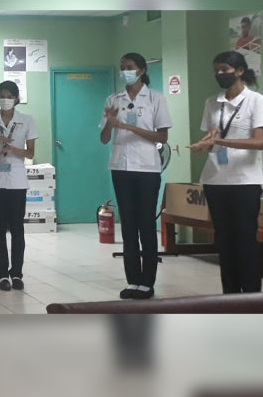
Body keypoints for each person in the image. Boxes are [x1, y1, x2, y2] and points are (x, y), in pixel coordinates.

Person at [187, 51, 263, 294]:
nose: (220, 74)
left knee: (245, 240)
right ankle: (229, 296)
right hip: (215, 180)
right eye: (216, 70)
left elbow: (259, 142)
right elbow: (212, 138)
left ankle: (250, 296)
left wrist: (221, 141)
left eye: (225, 70)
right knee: (224, 241)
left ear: (239, 71)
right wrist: (204, 145)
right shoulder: (212, 103)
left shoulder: (256, 100)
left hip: (245, 182)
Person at [100, 52, 171, 300]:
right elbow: (104, 138)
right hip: (121, 167)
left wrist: (130, 127)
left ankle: (147, 282)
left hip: (147, 169)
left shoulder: (155, 98)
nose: (124, 71)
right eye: (122, 67)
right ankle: (133, 281)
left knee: (146, 225)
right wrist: (110, 123)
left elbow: (162, 136)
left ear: (141, 70)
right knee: (128, 225)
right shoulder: (113, 99)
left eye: (129, 67)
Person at [0, 80, 38, 291]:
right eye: (2, 96)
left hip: (17, 180)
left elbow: (30, 152)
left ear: (16, 98)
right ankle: (2, 274)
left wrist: (12, 150)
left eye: (9, 96)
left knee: (17, 228)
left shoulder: (26, 120)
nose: (6, 100)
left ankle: (17, 273)